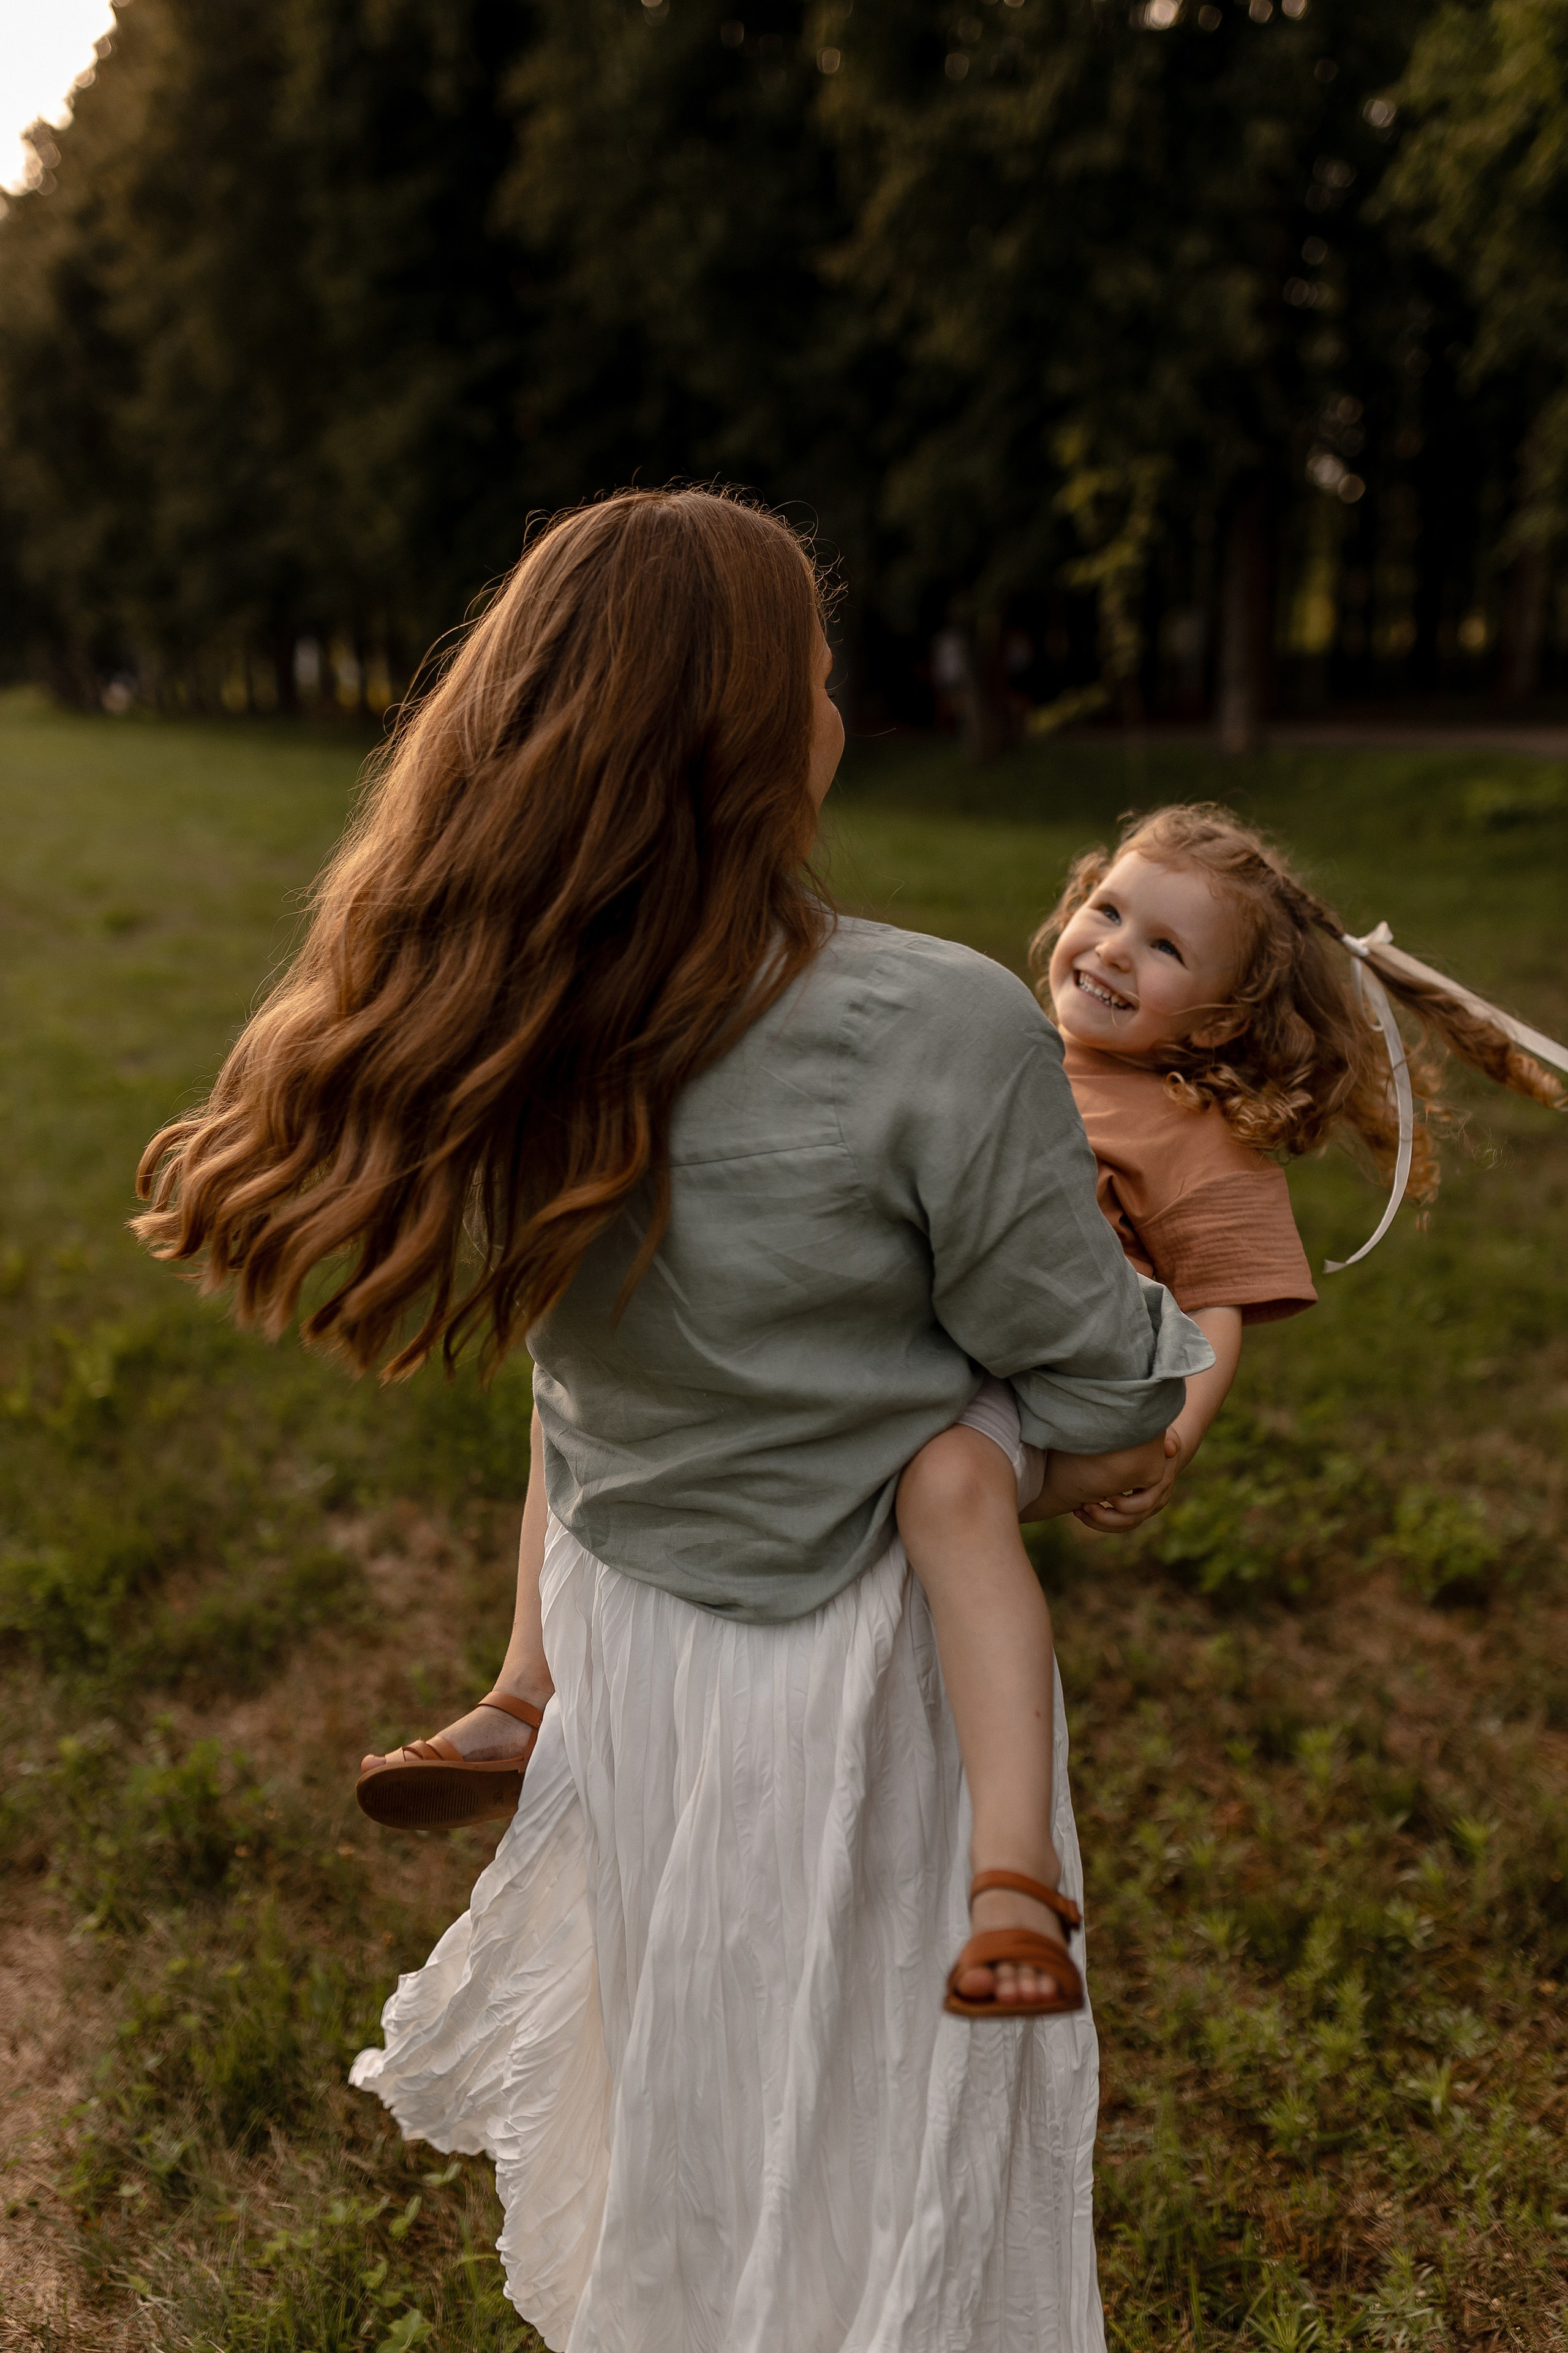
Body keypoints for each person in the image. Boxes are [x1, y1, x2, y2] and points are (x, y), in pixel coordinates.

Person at [135, 488, 1212, 2352]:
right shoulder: (942, 1027)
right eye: (816, 676)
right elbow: (1114, 1419)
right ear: (749, 735)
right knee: (872, 2147)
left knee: (699, 2120)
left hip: (627, 1645)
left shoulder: (518, 1014)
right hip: (860, 1679)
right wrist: (1198, 1283)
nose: (838, 713)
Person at [895, 802, 1566, 2016]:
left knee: (945, 1485)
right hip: (916, 1339)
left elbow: (1216, 1310)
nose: (1108, 948)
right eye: (1107, 911)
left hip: (1025, 1388)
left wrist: (1171, 1439)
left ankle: (1011, 1875)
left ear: (1218, 1021)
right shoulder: (1000, 1047)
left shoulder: (1196, 1137)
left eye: (1161, 949)